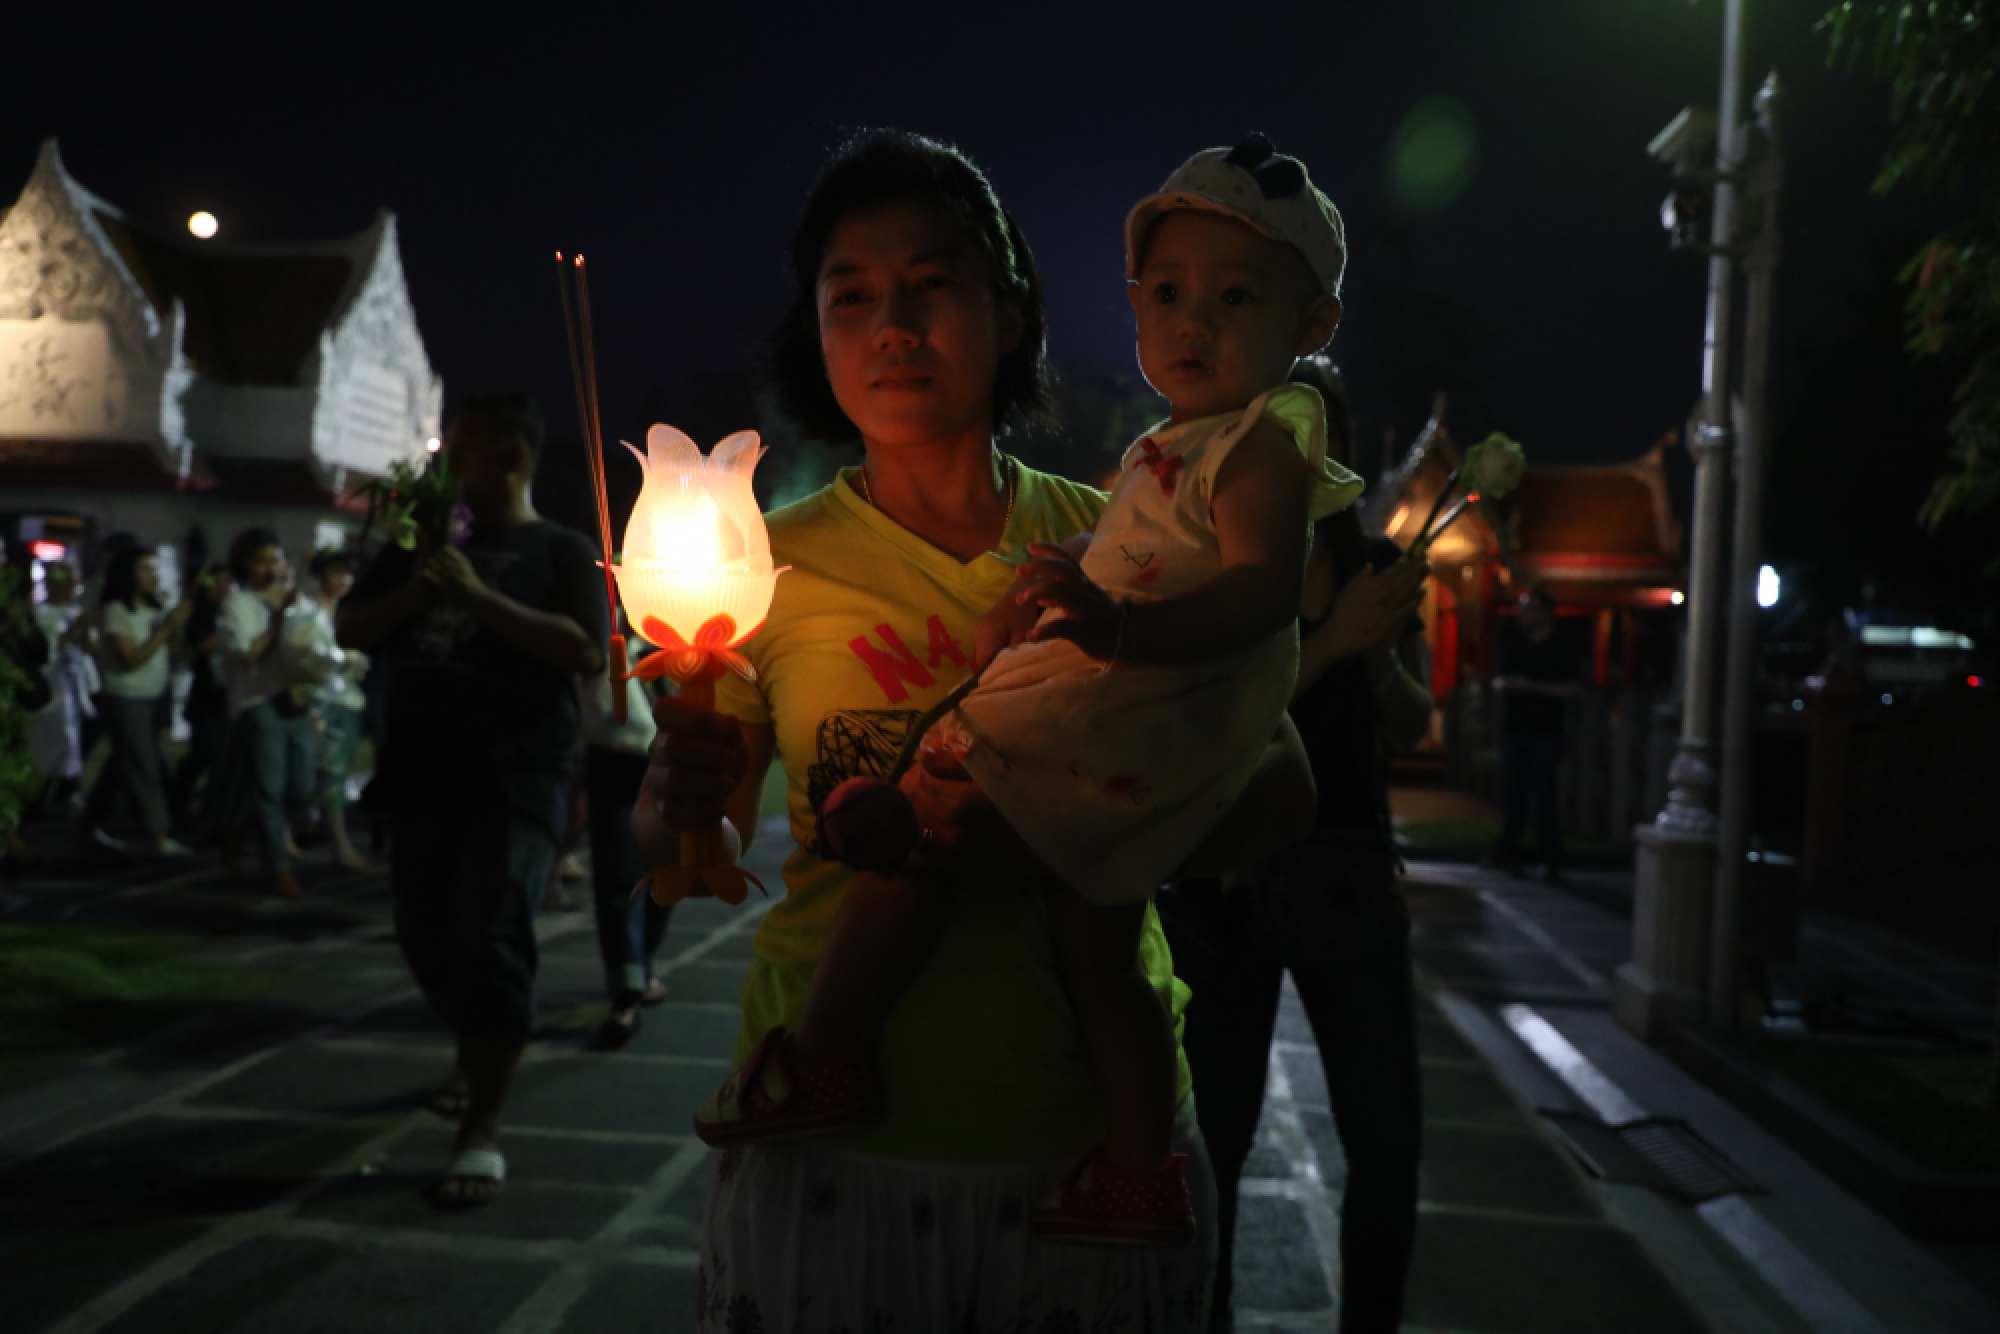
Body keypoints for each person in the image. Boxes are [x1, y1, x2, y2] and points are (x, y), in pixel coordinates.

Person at [633, 129, 1317, 1330]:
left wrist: (1043, 829)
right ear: (819, 334)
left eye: (932, 283)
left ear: (1008, 314)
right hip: (833, 1151)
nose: (892, 324)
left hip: (1076, 1145)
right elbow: (690, 844)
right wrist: (666, 793)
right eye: (851, 296)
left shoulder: (1121, 541)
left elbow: (1276, 789)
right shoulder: (754, 562)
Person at [1161, 361, 1433, 1334]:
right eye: (1282, 429)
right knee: (1215, 1134)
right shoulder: (1220, 559)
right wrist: (1321, 647)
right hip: (1222, 878)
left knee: (1385, 1135)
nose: (1304, 449)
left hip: (1347, 874)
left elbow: (1408, 721)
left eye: (1320, 431)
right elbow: (1202, 718)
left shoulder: (1380, 565)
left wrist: (1374, 646)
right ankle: (1207, 1313)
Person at [337, 391, 606, 1210]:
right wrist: (420, 590)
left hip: (515, 775)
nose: (441, 463)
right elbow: (353, 625)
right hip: (420, 776)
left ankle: (480, 1127)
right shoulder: (420, 542)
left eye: (459, 448)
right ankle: (478, 1043)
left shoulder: (560, 549)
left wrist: (479, 597)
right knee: (428, 940)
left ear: (512, 457)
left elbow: (583, 648)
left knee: (493, 933)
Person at [214, 532, 316, 898]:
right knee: (268, 791)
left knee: (300, 788)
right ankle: (278, 867)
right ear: (246, 565)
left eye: (277, 560)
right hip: (258, 705)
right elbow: (248, 656)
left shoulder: (298, 600)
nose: (273, 568)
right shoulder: (237, 604)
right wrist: (278, 621)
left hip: (297, 703)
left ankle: (233, 830)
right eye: (263, 561)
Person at [583, 658, 671, 1049]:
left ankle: (641, 964)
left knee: (667, 871)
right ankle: (626, 994)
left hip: (677, 753)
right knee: (620, 875)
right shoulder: (604, 612)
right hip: (619, 752)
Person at [91, 545, 194, 857]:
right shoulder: (116, 611)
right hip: (126, 696)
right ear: (128, 574)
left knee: (123, 764)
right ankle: (159, 835)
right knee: (145, 765)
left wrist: (175, 632)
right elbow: (130, 659)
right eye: (146, 569)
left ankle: (86, 825)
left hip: (154, 695)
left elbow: (170, 654)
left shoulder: (154, 607)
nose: (154, 576)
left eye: (155, 569)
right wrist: (165, 629)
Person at [1490, 587, 1582, 881]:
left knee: (1545, 795)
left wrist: (1532, 686)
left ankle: (1550, 857)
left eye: (1529, 607)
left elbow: (1574, 687)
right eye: (1521, 607)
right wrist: (1506, 686)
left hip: (1546, 731)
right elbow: (1497, 680)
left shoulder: (1561, 648)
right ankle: (1509, 851)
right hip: (1515, 728)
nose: (1523, 613)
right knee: (1513, 793)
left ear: (1545, 612)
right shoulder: (1515, 645)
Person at [297, 549, 370, 870]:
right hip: (318, 698)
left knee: (332, 769)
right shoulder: (308, 610)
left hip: (343, 698)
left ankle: (309, 832)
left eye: (348, 573)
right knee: (326, 770)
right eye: (337, 572)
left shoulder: (345, 610)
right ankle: (337, 844)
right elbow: (306, 654)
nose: (344, 579)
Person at [167, 563, 233, 834]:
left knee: (219, 758)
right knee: (204, 754)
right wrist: (233, 634)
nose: (228, 586)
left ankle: (211, 812)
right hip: (206, 695)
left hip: (226, 694)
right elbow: (203, 644)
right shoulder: (201, 610)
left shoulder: (229, 608)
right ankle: (179, 806)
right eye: (223, 581)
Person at [30, 562, 99, 814]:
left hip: (82, 688)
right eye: (69, 581)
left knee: (78, 738)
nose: (74, 587)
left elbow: (91, 649)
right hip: (54, 690)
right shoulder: (41, 613)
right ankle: (42, 797)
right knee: (52, 744)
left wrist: (86, 629)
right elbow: (50, 650)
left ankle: (66, 790)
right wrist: (76, 629)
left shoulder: (75, 610)